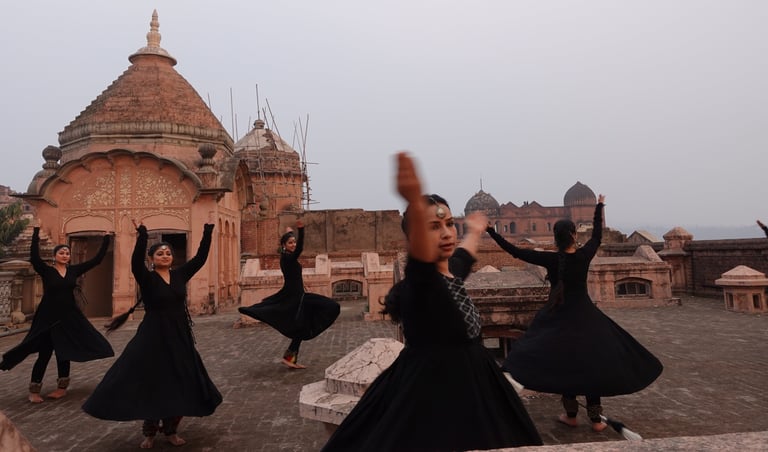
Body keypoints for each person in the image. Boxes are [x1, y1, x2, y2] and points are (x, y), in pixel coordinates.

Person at [321, 153, 542, 451]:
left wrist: (475, 231)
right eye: (434, 227)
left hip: (477, 388)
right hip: (434, 396)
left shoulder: (450, 272)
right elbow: (421, 268)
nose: (447, 233)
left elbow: (463, 256)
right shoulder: (421, 286)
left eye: (449, 224)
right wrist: (413, 199)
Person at [486, 195, 663, 432]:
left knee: (565, 366)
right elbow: (597, 237)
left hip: (557, 321)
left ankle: (571, 416)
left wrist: (492, 232)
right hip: (586, 319)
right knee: (590, 365)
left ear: (555, 237)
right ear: (573, 235)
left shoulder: (549, 259)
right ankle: (596, 420)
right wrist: (599, 207)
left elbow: (514, 251)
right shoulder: (582, 256)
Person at [82, 220, 222, 449]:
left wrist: (207, 232)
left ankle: (171, 430)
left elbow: (200, 258)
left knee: (179, 381)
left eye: (168, 253)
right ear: (151, 259)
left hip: (179, 336)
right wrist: (143, 235)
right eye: (160, 253)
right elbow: (135, 262)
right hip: (153, 337)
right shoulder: (147, 278)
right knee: (153, 381)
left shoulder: (180, 275)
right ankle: (149, 431)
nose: (165, 256)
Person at [0, 226, 113, 403]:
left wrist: (106, 238)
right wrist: (36, 233)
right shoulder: (47, 271)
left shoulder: (73, 271)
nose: (65, 255)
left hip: (67, 317)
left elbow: (96, 260)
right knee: (44, 354)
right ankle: (34, 390)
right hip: (48, 318)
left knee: (64, 353)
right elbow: (34, 258)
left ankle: (61, 388)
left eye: (67, 253)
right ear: (55, 256)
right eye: (61, 253)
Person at [238, 220, 340, 369]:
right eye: (290, 242)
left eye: (294, 242)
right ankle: (290, 356)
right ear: (284, 245)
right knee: (332, 306)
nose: (293, 245)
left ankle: (289, 358)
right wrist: (301, 230)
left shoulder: (286, 257)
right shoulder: (287, 258)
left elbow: (294, 275)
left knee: (301, 327)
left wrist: (290, 233)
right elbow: (300, 249)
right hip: (297, 297)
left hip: (299, 294)